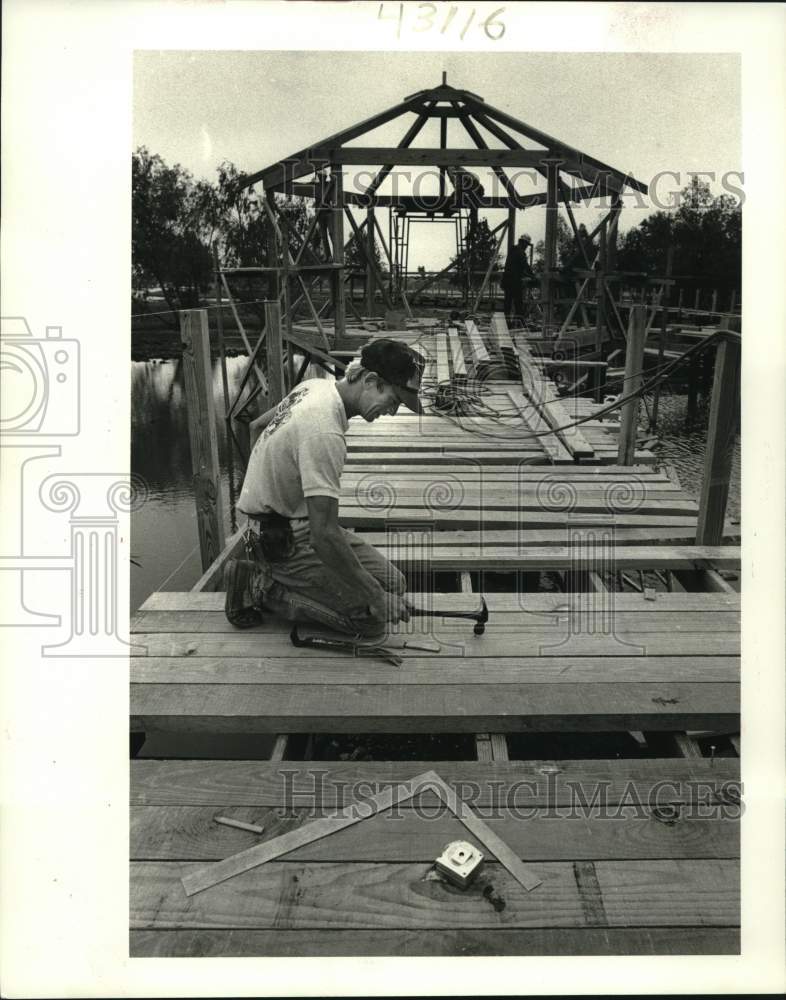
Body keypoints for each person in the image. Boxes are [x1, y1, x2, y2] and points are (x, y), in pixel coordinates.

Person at [224, 338, 426, 639]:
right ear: (371, 381)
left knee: (393, 585)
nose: (393, 412)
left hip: (289, 525)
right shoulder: (325, 432)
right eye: (394, 401)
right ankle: (260, 586)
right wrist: (375, 597)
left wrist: (264, 492)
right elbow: (324, 536)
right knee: (371, 620)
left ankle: (277, 568)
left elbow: (255, 426)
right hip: (281, 540)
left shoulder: (316, 386)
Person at [501, 234, 536, 327]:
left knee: (507, 302)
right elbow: (525, 266)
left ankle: (507, 323)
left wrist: (525, 274)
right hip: (514, 282)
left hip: (507, 281)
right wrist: (532, 276)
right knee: (518, 303)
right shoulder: (520, 252)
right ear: (523, 243)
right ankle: (519, 323)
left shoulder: (512, 250)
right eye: (526, 245)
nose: (526, 247)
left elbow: (515, 267)